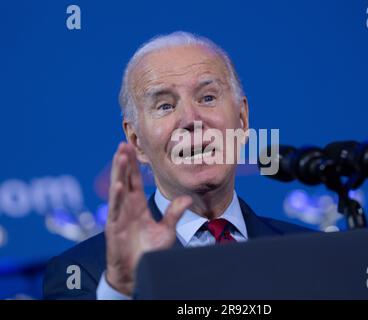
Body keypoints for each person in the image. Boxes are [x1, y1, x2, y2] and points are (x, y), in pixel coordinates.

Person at [43, 31, 313, 300]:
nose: (191, 119)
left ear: (242, 120)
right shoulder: (80, 273)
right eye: (165, 106)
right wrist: (120, 289)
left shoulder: (310, 255)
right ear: (136, 140)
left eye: (207, 97)